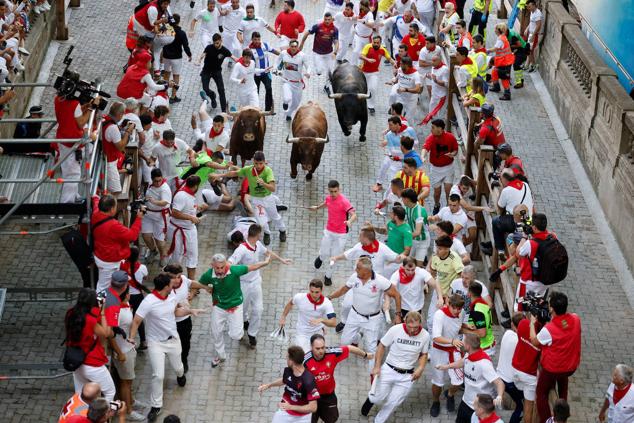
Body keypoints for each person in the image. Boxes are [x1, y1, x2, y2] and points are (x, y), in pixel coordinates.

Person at [127, 273, 202, 422]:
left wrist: (190, 311)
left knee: (179, 368)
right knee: (158, 375)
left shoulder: (172, 296)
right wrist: (131, 338)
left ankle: (181, 375)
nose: (174, 282)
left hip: (173, 340)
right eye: (171, 282)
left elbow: (175, 312)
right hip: (155, 343)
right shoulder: (148, 301)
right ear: (166, 286)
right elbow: (136, 321)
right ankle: (156, 406)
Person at [328, 257, 402, 373]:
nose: (355, 270)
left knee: (371, 348)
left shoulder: (380, 281)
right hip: (354, 314)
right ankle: (357, 337)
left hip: (372, 319)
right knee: (344, 342)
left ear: (366, 271)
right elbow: (343, 290)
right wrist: (330, 297)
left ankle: (372, 373)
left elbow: (397, 295)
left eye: (358, 268)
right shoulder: (354, 277)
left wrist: (398, 314)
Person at [199, 253, 271, 366]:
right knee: (216, 332)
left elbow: (253, 267)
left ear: (226, 264)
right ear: (212, 265)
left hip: (235, 306)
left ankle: (234, 325)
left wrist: (266, 262)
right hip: (219, 306)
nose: (220, 270)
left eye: (222, 267)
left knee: (236, 335)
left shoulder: (234, 270)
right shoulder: (208, 275)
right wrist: (205, 287)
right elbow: (198, 283)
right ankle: (220, 355)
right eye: (217, 268)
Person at [361, 311, 430, 422]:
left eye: (416, 327)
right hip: (389, 369)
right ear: (405, 322)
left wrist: (421, 368)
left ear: (420, 324)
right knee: (377, 397)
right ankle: (370, 401)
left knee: (393, 402)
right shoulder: (395, 330)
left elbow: (424, 354)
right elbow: (382, 345)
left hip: (408, 375)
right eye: (410, 326)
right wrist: (377, 366)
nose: (412, 330)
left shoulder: (425, 335)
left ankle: (379, 420)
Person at [229, 223, 290, 348]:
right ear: (257, 235)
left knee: (258, 309)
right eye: (260, 234)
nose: (261, 236)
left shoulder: (257, 245)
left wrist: (281, 259)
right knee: (242, 309)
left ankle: (252, 334)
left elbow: (268, 252)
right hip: (243, 284)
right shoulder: (241, 249)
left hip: (256, 282)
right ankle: (243, 322)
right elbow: (230, 263)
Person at [213, 151, 286, 245]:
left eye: (261, 163)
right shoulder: (248, 170)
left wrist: (264, 183)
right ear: (253, 162)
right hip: (256, 199)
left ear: (264, 162)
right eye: (256, 163)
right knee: (261, 221)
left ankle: (282, 230)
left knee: (275, 216)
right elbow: (234, 173)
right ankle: (267, 233)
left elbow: (273, 188)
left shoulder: (268, 171)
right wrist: (219, 175)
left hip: (267, 198)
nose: (258, 166)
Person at [529, 291, 581, 423]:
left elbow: (534, 341)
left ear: (551, 308)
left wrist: (532, 322)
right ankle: (562, 414)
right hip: (570, 367)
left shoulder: (549, 329)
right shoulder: (576, 318)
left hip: (552, 369)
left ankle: (548, 420)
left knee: (541, 393)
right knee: (563, 383)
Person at [436, 333, 505, 423]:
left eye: (463, 342)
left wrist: (499, 397)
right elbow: (462, 362)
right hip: (466, 402)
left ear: (468, 346)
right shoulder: (469, 355)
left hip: (480, 408)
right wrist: (445, 367)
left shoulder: (484, 364)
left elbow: (500, 383)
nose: (461, 343)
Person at [304, 334, 374, 423]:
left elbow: (349, 348)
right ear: (311, 347)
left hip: (328, 395)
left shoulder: (332, 353)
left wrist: (365, 355)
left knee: (332, 418)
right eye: (317, 348)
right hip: (312, 397)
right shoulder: (305, 361)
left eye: (323, 347)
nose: (321, 351)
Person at [64, 288, 116, 401]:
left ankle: (82, 416)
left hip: (76, 361)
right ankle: (102, 416)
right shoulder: (90, 320)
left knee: (80, 396)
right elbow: (106, 333)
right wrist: (102, 312)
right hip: (93, 362)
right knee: (110, 392)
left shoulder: (70, 314)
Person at [163, 264, 212, 373]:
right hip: (169, 322)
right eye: (173, 277)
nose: (177, 280)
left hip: (184, 320)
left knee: (185, 342)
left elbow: (191, 283)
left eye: (179, 276)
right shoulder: (164, 287)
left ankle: (183, 360)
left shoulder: (183, 280)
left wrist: (204, 287)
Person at [109, 286, 147, 422]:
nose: (130, 294)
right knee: (126, 382)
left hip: (128, 348)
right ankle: (129, 410)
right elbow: (111, 335)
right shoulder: (119, 312)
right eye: (129, 292)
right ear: (125, 295)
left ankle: (131, 400)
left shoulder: (124, 307)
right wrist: (119, 353)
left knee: (129, 380)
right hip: (124, 351)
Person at [91, 194, 144, 292]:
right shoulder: (113, 226)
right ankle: (100, 305)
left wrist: (95, 197)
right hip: (108, 261)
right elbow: (132, 236)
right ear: (111, 209)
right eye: (116, 206)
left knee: (106, 284)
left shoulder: (96, 213)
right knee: (103, 287)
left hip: (101, 255)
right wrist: (139, 219)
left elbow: (96, 203)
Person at [53, 85, 96, 203]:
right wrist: (91, 108)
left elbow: (71, 113)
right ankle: (66, 204)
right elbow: (81, 123)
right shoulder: (74, 104)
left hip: (62, 138)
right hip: (72, 142)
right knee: (73, 175)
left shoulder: (58, 99)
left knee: (68, 170)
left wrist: (84, 107)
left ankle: (74, 195)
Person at [310, 180, 357, 286]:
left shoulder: (344, 202)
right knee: (325, 251)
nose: (333, 194)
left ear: (339, 189)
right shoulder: (328, 198)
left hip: (341, 234)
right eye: (331, 191)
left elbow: (354, 214)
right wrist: (317, 207)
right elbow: (326, 204)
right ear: (328, 190)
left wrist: (349, 221)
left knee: (335, 256)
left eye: (335, 191)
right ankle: (321, 257)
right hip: (329, 231)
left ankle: (328, 276)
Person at [258, 346, 319, 422]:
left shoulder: (309, 381)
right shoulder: (288, 371)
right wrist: (268, 385)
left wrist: (290, 407)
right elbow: (284, 380)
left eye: (287, 357)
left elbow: (313, 407)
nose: (286, 359)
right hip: (285, 411)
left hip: (303, 417)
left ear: (291, 361)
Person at [429, 294, 465, 416]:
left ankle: (450, 394)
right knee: (438, 381)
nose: (456, 311)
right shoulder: (439, 315)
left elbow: (457, 328)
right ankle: (435, 402)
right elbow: (436, 337)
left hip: (454, 350)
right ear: (449, 305)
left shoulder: (462, 312)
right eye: (453, 308)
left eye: (459, 308)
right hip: (439, 352)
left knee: (459, 380)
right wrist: (452, 341)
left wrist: (467, 328)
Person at [279, 280, 336, 352]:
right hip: (302, 332)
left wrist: (322, 320)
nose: (314, 295)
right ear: (309, 289)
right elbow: (290, 303)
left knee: (317, 354)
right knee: (303, 355)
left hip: (317, 331)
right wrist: (283, 317)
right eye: (312, 291)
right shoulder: (300, 297)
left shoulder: (326, 303)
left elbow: (334, 323)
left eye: (317, 292)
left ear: (322, 290)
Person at [166, 175, 201, 279]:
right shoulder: (181, 195)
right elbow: (175, 213)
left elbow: (187, 209)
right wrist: (190, 218)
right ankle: (172, 279)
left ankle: (191, 283)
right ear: (195, 186)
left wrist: (197, 210)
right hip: (178, 230)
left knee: (193, 255)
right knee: (176, 256)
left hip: (189, 230)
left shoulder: (189, 194)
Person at [422, 119, 458, 214]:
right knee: (437, 192)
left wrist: (452, 154)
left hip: (448, 168)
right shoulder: (431, 137)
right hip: (435, 169)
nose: (431, 129)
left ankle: (448, 208)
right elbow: (425, 148)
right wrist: (422, 156)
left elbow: (455, 150)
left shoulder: (451, 137)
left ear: (440, 129)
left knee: (448, 190)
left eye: (433, 127)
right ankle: (437, 204)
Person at [373, 116, 418, 192]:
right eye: (388, 125)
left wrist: (408, 142)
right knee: (384, 166)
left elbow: (417, 142)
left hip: (407, 157)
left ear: (397, 124)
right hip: (393, 157)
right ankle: (379, 184)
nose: (389, 127)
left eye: (391, 125)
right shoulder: (389, 135)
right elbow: (392, 151)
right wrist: (405, 149)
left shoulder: (410, 130)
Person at [366, 205, 412, 277]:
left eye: (392, 213)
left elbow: (407, 251)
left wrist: (395, 259)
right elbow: (384, 231)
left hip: (396, 262)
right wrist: (372, 227)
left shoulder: (406, 231)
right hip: (386, 257)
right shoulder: (391, 223)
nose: (390, 215)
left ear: (396, 217)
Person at [512, 313, 543, 423]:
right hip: (529, 375)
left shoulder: (523, 323)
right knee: (529, 406)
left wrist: (531, 323)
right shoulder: (544, 336)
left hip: (515, 369)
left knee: (522, 399)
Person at [300, 12, 338, 95]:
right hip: (317, 53)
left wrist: (335, 52)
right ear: (323, 19)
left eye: (329, 19)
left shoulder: (335, 29)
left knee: (330, 71)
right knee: (319, 71)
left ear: (332, 20)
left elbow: (336, 42)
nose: (327, 21)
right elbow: (307, 33)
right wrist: (302, 43)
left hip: (329, 53)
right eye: (325, 19)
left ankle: (327, 86)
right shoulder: (317, 26)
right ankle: (320, 68)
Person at [102, 102, 135, 199]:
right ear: (120, 114)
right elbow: (120, 146)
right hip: (110, 162)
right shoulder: (112, 127)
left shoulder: (104, 119)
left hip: (106, 158)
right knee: (116, 192)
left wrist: (120, 128)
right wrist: (128, 131)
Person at [496, 313, 525, 423]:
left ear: (512, 325)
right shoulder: (521, 342)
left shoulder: (507, 333)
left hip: (499, 377)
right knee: (521, 406)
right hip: (510, 382)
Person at [142, 168, 172, 266]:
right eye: (155, 181)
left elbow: (164, 202)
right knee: (146, 236)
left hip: (160, 217)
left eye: (160, 180)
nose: (158, 183)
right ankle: (153, 251)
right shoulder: (151, 186)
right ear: (151, 179)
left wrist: (153, 201)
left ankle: (163, 256)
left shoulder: (165, 188)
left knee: (160, 240)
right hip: (148, 215)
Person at [120, 247, 149, 350]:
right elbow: (146, 277)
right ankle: (143, 341)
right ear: (137, 257)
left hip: (125, 296)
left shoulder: (122, 264)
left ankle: (127, 341)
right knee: (138, 319)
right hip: (138, 297)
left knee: (126, 319)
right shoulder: (142, 267)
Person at [276, 39, 311, 121]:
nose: (293, 48)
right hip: (287, 81)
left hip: (298, 83)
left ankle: (288, 113)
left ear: (297, 47)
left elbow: (308, 66)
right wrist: (276, 70)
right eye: (292, 46)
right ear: (289, 46)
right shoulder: (283, 53)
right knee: (287, 98)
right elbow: (277, 62)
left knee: (296, 104)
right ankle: (285, 103)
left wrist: (308, 73)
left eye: (295, 46)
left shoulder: (302, 55)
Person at [359, 35, 394, 115]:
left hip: (374, 73)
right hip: (363, 72)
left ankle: (371, 106)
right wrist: (368, 59)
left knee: (373, 89)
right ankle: (361, 104)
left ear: (380, 43)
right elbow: (361, 56)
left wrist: (395, 64)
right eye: (374, 42)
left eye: (377, 43)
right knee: (362, 89)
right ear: (372, 42)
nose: (376, 44)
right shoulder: (368, 47)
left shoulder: (383, 50)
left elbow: (389, 59)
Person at [199, 33, 234, 112]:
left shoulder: (224, 50)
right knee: (205, 89)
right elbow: (203, 54)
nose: (216, 45)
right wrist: (199, 60)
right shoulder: (209, 47)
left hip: (217, 72)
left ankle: (224, 111)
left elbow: (233, 57)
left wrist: (241, 61)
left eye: (217, 43)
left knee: (221, 90)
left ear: (221, 41)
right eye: (214, 43)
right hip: (206, 71)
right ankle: (212, 96)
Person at [162, 14, 191, 103]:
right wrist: (189, 55)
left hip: (166, 56)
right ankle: (173, 96)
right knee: (176, 76)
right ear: (178, 21)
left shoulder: (166, 30)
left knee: (166, 75)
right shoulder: (181, 33)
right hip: (176, 58)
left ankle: (164, 93)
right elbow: (185, 46)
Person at [250, 31, 280, 113]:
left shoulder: (265, 45)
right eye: (255, 39)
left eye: (258, 39)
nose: (257, 41)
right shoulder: (249, 50)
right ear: (252, 39)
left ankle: (268, 108)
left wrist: (282, 55)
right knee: (256, 92)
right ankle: (255, 108)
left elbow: (273, 50)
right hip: (255, 75)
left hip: (266, 73)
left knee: (269, 88)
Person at [463, 282, 495, 356]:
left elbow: (482, 333)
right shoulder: (484, 305)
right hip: (487, 345)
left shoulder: (477, 310)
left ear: (469, 294)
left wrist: (464, 331)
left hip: (482, 349)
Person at [401, 188, 430, 266]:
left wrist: (403, 236)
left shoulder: (419, 212)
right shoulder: (408, 207)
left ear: (407, 199)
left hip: (422, 241)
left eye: (402, 198)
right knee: (409, 262)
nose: (402, 200)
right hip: (413, 240)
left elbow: (417, 232)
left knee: (417, 266)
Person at [488, 23, 515, 101]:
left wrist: (488, 50)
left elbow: (496, 48)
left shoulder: (500, 39)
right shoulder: (503, 37)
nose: (494, 30)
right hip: (503, 61)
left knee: (504, 78)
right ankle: (496, 87)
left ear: (499, 30)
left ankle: (507, 94)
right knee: (494, 72)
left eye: (496, 29)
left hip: (505, 62)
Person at [352, 0, 375, 65]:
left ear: (365, 7)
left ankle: (361, 66)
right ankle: (352, 66)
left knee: (364, 53)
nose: (360, 6)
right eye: (360, 5)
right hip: (357, 35)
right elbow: (354, 16)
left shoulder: (369, 14)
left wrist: (364, 22)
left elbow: (372, 25)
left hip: (366, 38)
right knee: (356, 51)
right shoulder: (359, 10)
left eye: (361, 6)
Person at [524, 0, 542, 72]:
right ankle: (531, 64)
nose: (528, 8)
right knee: (529, 51)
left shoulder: (538, 14)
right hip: (530, 33)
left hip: (534, 35)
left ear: (534, 5)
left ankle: (533, 65)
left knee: (529, 51)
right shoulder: (532, 12)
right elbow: (531, 22)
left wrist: (533, 36)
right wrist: (527, 29)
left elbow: (538, 25)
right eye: (528, 7)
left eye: (529, 6)